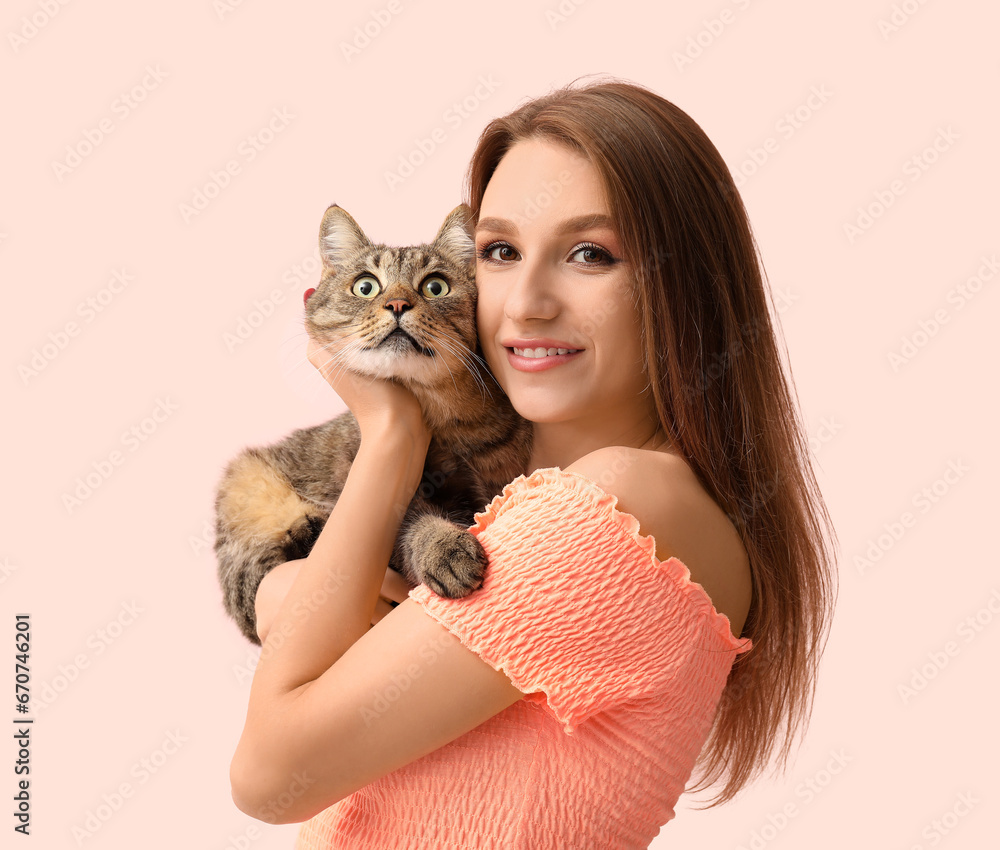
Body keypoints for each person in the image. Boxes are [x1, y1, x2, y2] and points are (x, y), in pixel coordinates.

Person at [228, 77, 838, 848]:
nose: (525, 303)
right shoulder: (528, 507)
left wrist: (389, 434)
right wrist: (293, 589)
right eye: (501, 252)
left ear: (682, 288)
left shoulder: (615, 507)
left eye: (590, 254)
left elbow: (270, 775)